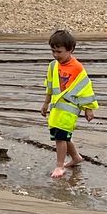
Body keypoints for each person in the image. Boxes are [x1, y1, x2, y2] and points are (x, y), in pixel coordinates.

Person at [40, 29, 98, 179]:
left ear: (70, 50)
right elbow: (50, 86)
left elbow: (85, 89)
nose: (55, 55)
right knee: (63, 135)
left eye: (59, 52)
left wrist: (88, 109)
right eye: (53, 51)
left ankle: (60, 166)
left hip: (70, 108)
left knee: (60, 137)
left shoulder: (77, 68)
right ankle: (76, 157)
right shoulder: (53, 66)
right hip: (56, 107)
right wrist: (45, 103)